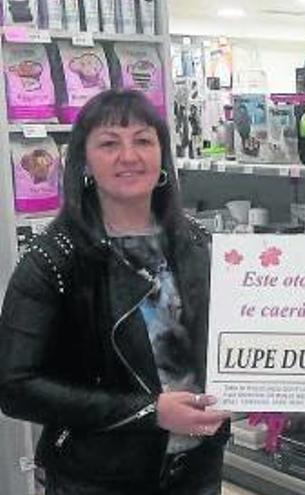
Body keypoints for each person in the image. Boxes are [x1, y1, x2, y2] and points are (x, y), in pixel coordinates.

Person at [0, 89, 231, 494]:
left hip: (196, 472)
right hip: (97, 478)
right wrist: (149, 412)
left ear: (162, 155)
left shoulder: (197, 243)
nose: (129, 156)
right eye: (109, 144)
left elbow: (238, 343)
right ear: (84, 161)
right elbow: (15, 387)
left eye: (143, 140)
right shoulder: (54, 259)